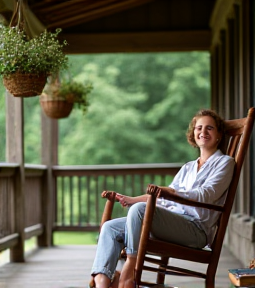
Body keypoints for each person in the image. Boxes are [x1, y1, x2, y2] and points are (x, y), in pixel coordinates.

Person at [88, 109, 235, 288]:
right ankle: (102, 283)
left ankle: (130, 269)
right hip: (173, 223)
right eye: (199, 128)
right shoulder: (188, 167)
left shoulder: (225, 162)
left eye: (209, 128)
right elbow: (165, 199)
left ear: (219, 134)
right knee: (110, 228)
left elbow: (207, 195)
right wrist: (132, 199)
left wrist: (171, 192)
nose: (203, 132)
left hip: (196, 230)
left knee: (139, 212)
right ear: (193, 133)